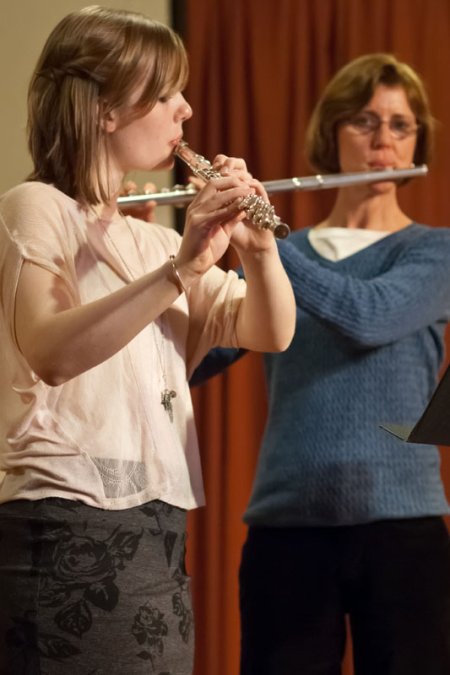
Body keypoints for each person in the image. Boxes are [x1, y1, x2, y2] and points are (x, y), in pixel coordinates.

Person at [0, 6, 296, 674]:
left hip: (156, 529)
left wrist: (258, 250)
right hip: (65, 521)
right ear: (105, 109)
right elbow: (49, 350)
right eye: (164, 93)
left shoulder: (154, 238)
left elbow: (271, 330)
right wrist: (182, 269)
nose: (185, 110)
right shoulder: (38, 207)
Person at [192, 53, 450, 675]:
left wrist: (266, 240)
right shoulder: (277, 253)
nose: (384, 141)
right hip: (288, 527)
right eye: (365, 121)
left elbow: (368, 316)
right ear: (333, 132)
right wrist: (148, 248)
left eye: (401, 125)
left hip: (403, 529)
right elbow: (198, 358)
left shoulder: (435, 250)